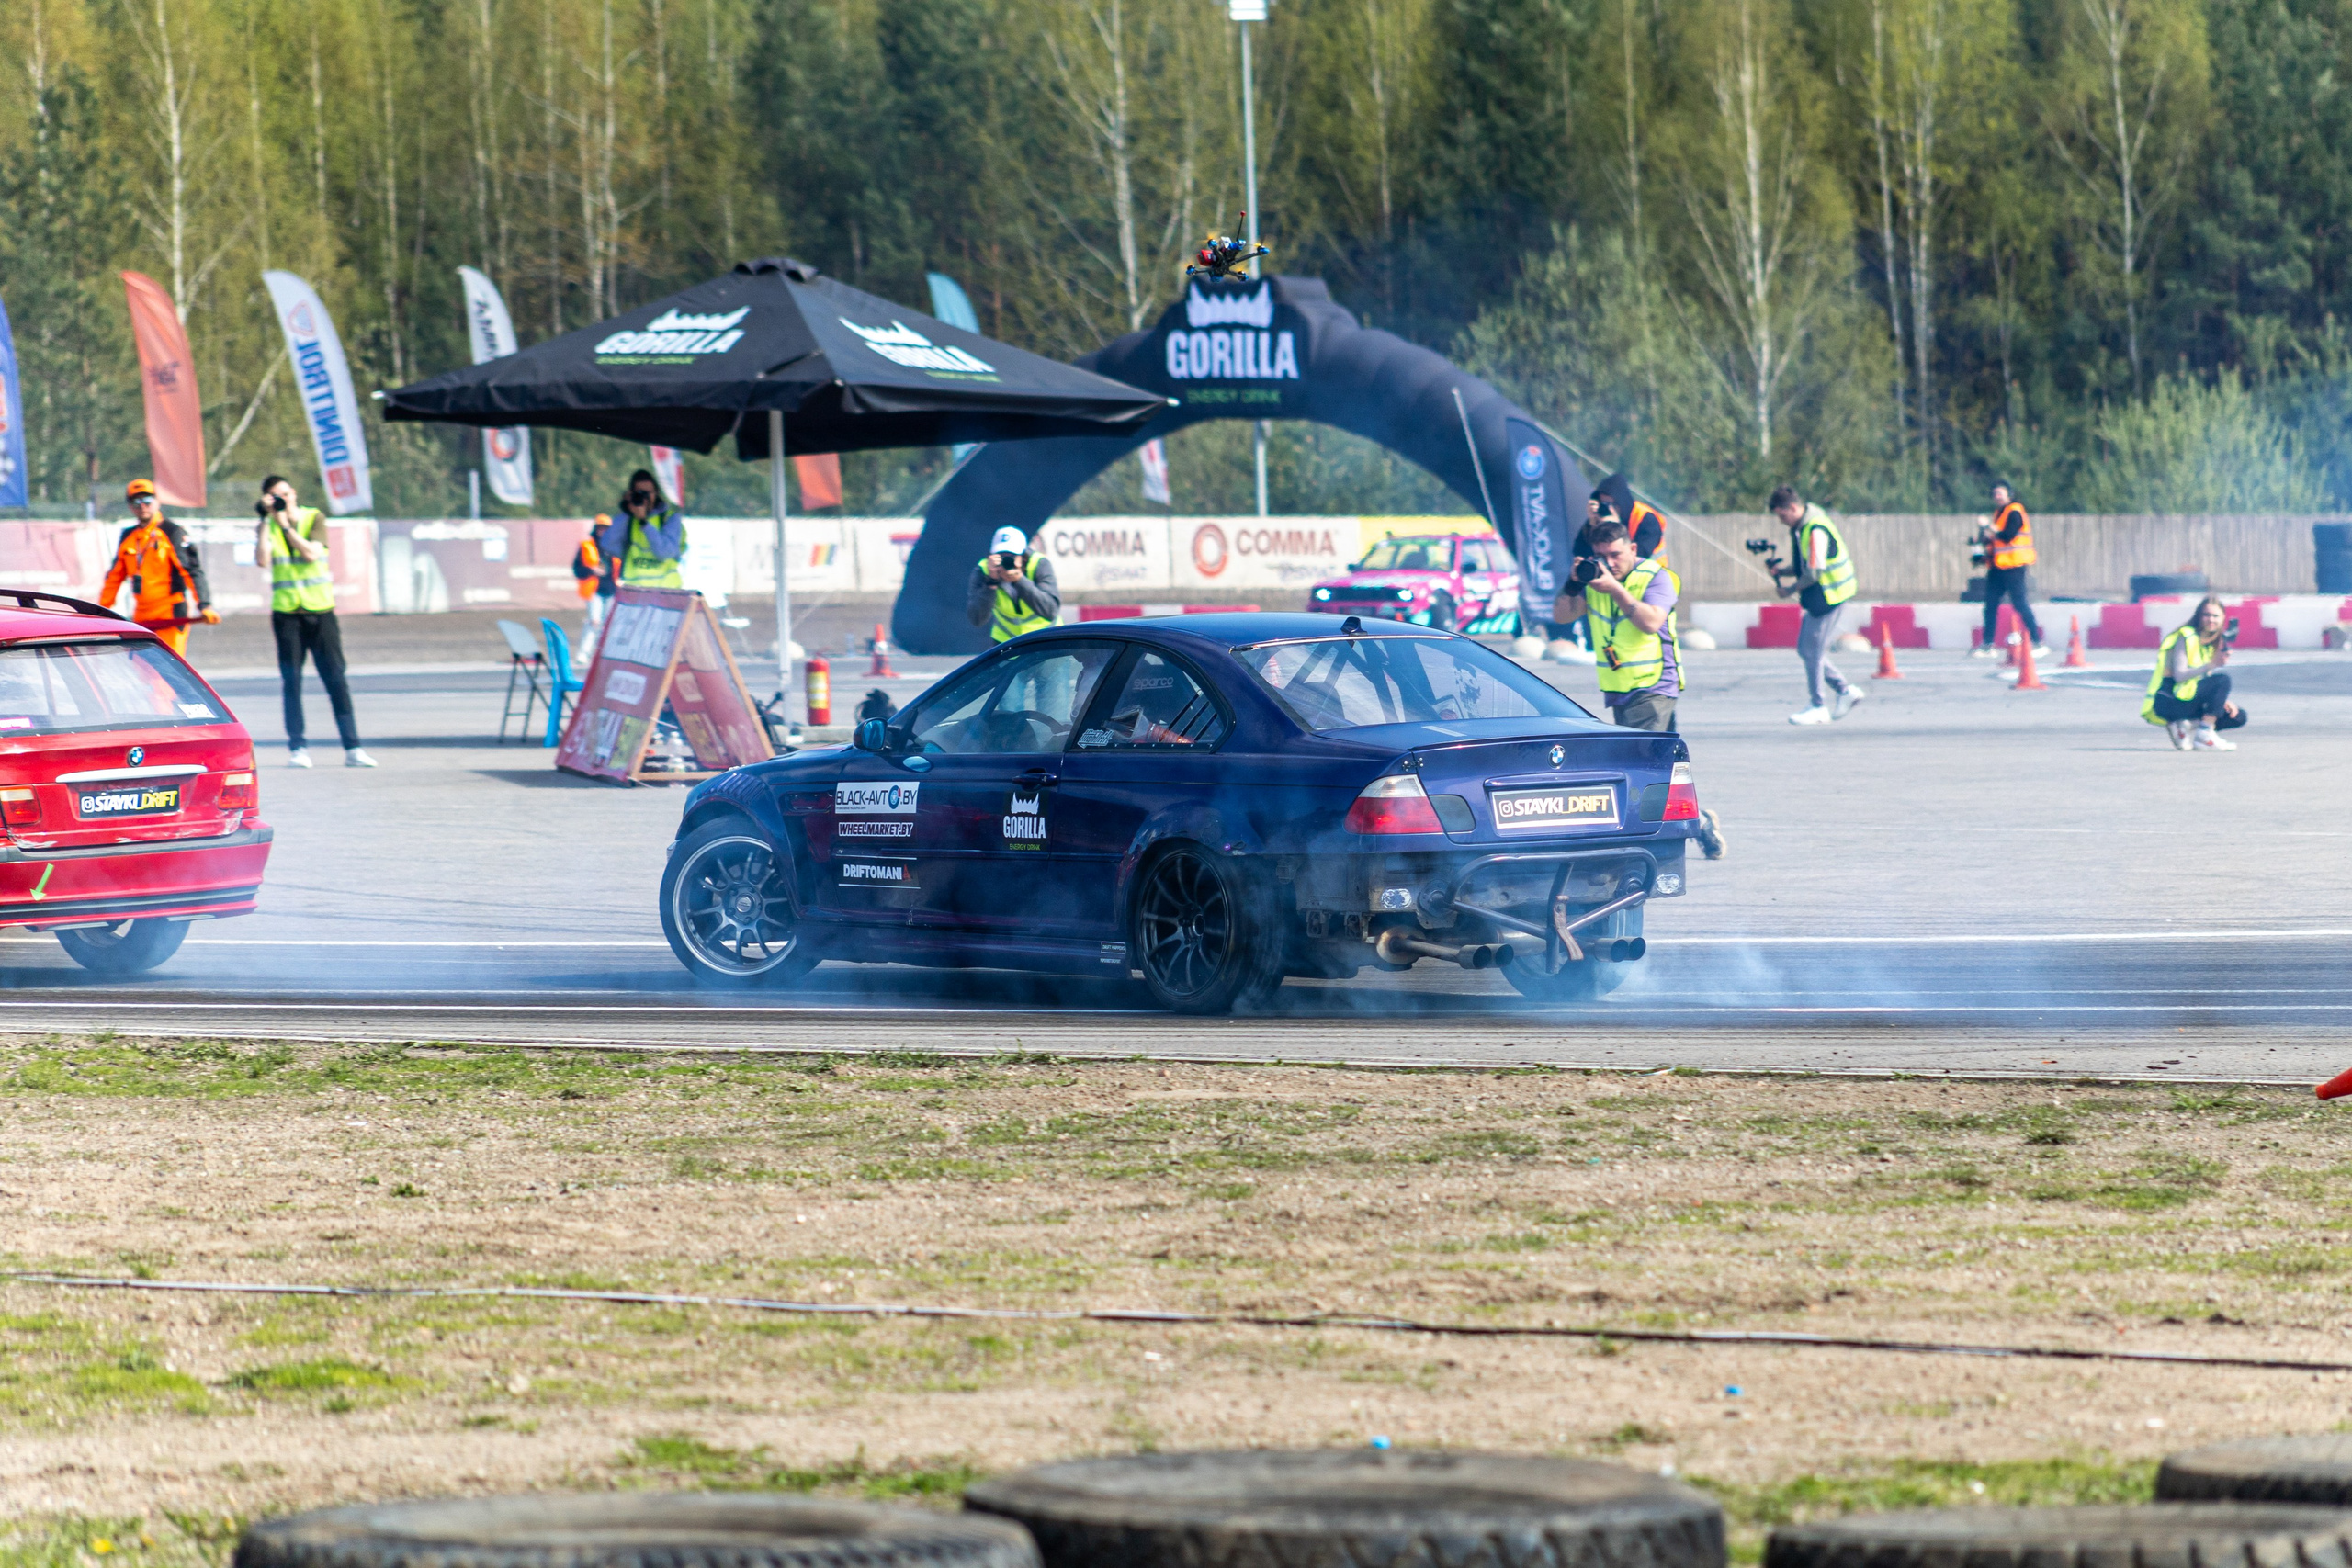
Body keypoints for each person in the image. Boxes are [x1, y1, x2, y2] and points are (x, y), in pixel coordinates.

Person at [1579, 516, 1724, 857]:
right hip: (1620, 688)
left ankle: (1637, 847)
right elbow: (1560, 615)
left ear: (1632, 548)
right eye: (1601, 556)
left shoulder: (1658, 577)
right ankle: (1700, 822)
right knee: (1664, 770)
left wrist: (1615, 589)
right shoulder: (1595, 581)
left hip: (1655, 686)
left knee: (1638, 771)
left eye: (1615, 555)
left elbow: (1650, 622)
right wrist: (1573, 584)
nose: (1609, 563)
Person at [256, 474, 372, 769]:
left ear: (293, 493)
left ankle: (353, 746)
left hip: (320, 612)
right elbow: (262, 560)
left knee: (335, 678)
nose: (282, 500)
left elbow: (310, 554)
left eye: (284, 494)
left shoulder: (313, 518)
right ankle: (297, 747)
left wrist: (285, 526)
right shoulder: (268, 524)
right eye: (274, 497)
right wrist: (263, 522)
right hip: (287, 615)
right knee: (291, 681)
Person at [1767, 485, 1862, 726]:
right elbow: (1806, 564)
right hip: (1822, 597)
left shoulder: (1814, 529)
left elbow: (1814, 572)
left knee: (1813, 652)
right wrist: (1784, 571)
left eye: (1782, 515)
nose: (1781, 521)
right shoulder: (1806, 525)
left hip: (1830, 596)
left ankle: (1819, 705)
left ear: (1793, 508)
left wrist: (1788, 588)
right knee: (1806, 650)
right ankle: (1844, 690)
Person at [100, 478, 217, 656]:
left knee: (167, 672)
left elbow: (191, 571)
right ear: (130, 506)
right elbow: (114, 578)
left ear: (157, 501)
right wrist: (100, 610)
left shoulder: (172, 532)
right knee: (143, 672)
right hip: (142, 617)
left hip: (170, 614)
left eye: (147, 500)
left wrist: (204, 604)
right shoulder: (128, 536)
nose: (142, 506)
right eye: (136, 501)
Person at [2143, 595, 2246, 751]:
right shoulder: (2186, 636)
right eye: (2207, 615)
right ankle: (2204, 734)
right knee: (2223, 680)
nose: (2211, 620)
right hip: (2168, 700)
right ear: (2199, 616)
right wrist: (2212, 664)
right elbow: (2180, 675)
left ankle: (2185, 726)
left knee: (2238, 715)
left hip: (2187, 697)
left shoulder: (2210, 644)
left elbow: (2204, 681)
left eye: (2215, 616)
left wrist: (2222, 701)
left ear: (2223, 619)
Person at [1972, 480, 2047, 659]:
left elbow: (2007, 536)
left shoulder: (2015, 511)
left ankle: (2038, 642)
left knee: (2020, 603)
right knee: (1990, 605)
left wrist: (1988, 527)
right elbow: (1994, 539)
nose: (1997, 497)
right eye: (1995, 494)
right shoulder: (1999, 513)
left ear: (2009, 494)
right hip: (1998, 566)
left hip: (2014, 566)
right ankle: (1988, 644)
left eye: (2000, 493)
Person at [594, 470, 686, 592]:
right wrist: (627, 511)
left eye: (649, 493)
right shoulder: (628, 520)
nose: (645, 498)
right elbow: (608, 545)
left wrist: (644, 523)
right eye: (640, 493)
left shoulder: (669, 518)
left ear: (657, 493)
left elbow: (664, 553)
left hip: (666, 591)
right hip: (636, 592)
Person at [967, 525, 1061, 642]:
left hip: (1047, 637)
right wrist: (991, 582)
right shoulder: (983, 570)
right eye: (1001, 556)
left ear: (1023, 556)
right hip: (1006, 641)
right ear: (991, 556)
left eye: (1012, 556)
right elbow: (977, 619)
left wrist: (1020, 581)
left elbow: (1050, 610)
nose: (1007, 561)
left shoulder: (1039, 565)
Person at [575, 513, 612, 656]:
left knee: (609, 625)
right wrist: (591, 570)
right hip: (594, 590)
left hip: (611, 590)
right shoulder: (587, 546)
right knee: (594, 622)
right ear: (596, 529)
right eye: (601, 528)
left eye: (606, 528)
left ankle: (604, 654)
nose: (603, 531)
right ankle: (584, 654)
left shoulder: (615, 547)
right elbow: (577, 569)